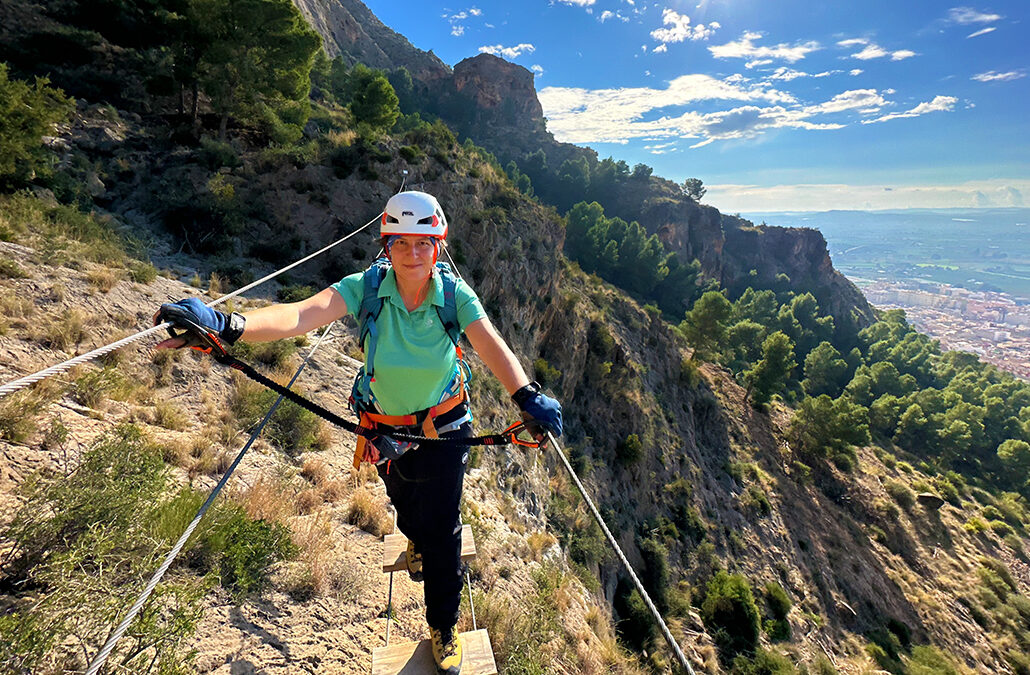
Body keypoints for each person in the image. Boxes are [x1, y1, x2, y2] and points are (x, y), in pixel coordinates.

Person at [155, 190, 563, 675]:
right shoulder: (366, 289)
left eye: (423, 244)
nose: (413, 255)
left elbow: (489, 343)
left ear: (439, 246)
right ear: (386, 245)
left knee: (443, 532)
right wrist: (229, 324)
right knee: (404, 504)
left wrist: (525, 394)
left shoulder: (455, 296)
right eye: (402, 243)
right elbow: (302, 314)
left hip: (445, 428)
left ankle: (444, 626)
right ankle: (415, 539)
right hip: (382, 430)